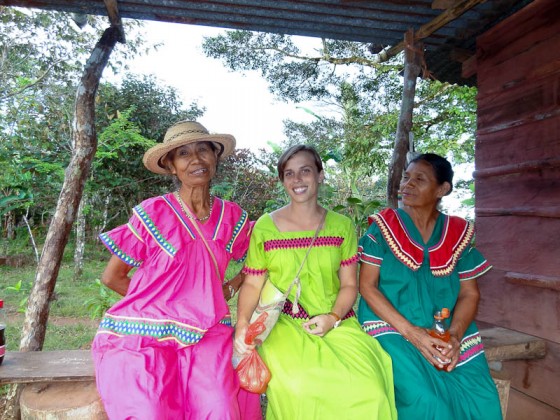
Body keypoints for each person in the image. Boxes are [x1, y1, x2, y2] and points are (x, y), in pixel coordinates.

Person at [91, 121, 261, 419]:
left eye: (203, 150)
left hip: (207, 331)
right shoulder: (153, 212)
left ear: (215, 157)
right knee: (149, 408)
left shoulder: (231, 216)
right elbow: (111, 277)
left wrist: (232, 285)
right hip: (144, 334)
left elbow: (262, 257)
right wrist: (167, 302)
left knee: (218, 406)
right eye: (183, 154)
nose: (195, 160)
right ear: (171, 167)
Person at [234, 145, 397, 419]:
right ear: (283, 181)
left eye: (305, 171)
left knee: (370, 390)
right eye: (289, 174)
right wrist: (242, 324)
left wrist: (332, 317)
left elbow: (349, 286)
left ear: (320, 175)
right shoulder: (265, 226)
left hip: (336, 323)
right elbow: (252, 284)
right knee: (299, 387)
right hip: (283, 324)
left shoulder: (341, 226)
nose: (297, 180)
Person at [358, 153, 502, 419]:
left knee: (483, 399)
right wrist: (413, 334)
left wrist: (455, 337)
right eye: (406, 177)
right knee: (426, 400)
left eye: (420, 179)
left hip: (446, 330)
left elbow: (470, 294)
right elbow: (367, 287)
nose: (408, 185)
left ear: (442, 189)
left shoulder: (457, 234)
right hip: (392, 327)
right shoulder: (383, 227)